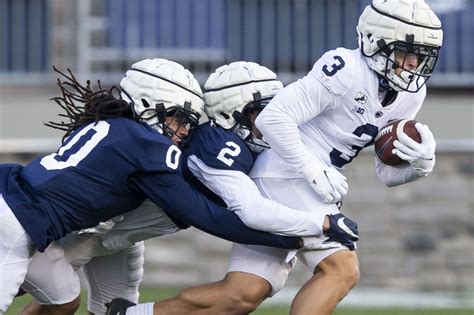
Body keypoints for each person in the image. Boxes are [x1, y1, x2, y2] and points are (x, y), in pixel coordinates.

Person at [108, 0, 443, 314]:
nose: (413, 65)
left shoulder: (411, 94)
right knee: (341, 270)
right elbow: (273, 119)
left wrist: (419, 165)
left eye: (421, 56)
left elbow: (386, 174)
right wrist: (311, 169)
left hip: (308, 178)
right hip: (287, 171)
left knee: (242, 293)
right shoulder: (345, 69)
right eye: (405, 52)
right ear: (374, 41)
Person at [17, 61, 359, 315]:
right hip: (90, 230)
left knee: (107, 306)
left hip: (123, 239)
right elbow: (220, 216)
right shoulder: (219, 145)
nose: (274, 122)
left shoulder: (250, 150)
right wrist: (307, 233)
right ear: (231, 115)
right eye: (262, 113)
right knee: (50, 297)